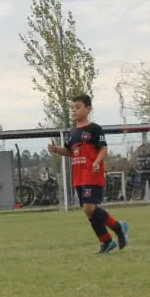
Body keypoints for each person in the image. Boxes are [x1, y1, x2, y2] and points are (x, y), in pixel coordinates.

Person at [48, 94, 130, 254]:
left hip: (92, 173)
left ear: (88, 109)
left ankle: (118, 229)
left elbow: (103, 148)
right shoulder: (72, 133)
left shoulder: (94, 129)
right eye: (72, 108)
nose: (74, 110)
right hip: (78, 176)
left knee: (88, 208)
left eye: (77, 107)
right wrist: (57, 150)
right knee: (89, 211)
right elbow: (71, 152)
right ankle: (107, 240)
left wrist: (96, 162)